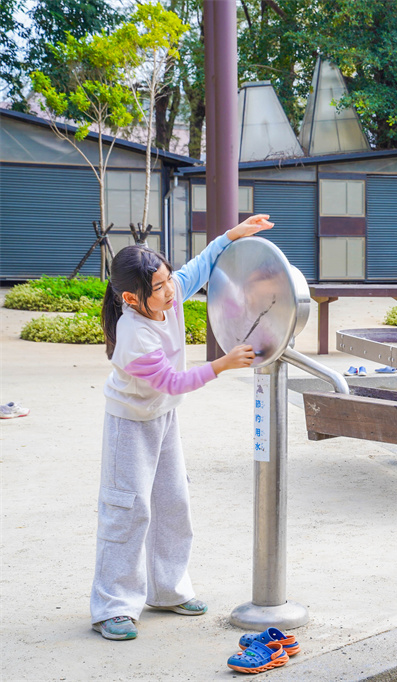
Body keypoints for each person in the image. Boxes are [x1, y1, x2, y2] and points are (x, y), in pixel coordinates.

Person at [90, 214, 274, 641]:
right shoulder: (134, 333)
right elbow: (174, 381)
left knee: (174, 503)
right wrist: (222, 363)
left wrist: (233, 234)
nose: (171, 289)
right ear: (133, 299)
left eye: (169, 279)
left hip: (163, 416)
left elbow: (201, 264)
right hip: (129, 424)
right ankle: (112, 606)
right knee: (128, 510)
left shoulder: (168, 297)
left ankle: (168, 590)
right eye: (159, 287)